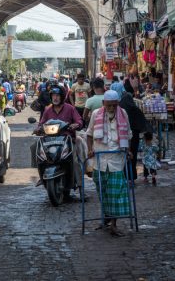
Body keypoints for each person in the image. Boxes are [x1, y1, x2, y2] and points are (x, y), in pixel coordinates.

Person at [86, 90, 132, 237]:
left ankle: (114, 224)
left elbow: (128, 134)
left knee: (116, 193)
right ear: (103, 104)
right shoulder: (95, 114)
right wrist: (90, 149)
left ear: (117, 104)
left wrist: (128, 149)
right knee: (103, 192)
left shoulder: (123, 114)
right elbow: (89, 134)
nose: (111, 108)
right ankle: (106, 218)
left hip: (116, 160)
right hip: (99, 160)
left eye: (114, 105)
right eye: (109, 105)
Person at [38, 86, 84, 185]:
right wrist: (38, 129)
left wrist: (76, 124)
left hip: (67, 140)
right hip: (50, 140)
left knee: (75, 160)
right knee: (36, 148)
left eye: (58, 96)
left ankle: (80, 185)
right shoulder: (48, 110)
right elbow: (41, 123)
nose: (55, 98)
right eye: (53, 96)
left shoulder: (70, 108)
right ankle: (40, 174)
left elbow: (79, 120)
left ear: (62, 97)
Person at [119, 81, 148, 181]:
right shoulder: (135, 109)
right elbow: (142, 123)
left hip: (122, 136)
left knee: (123, 156)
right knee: (133, 155)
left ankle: (124, 175)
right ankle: (132, 175)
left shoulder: (119, 110)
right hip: (134, 136)